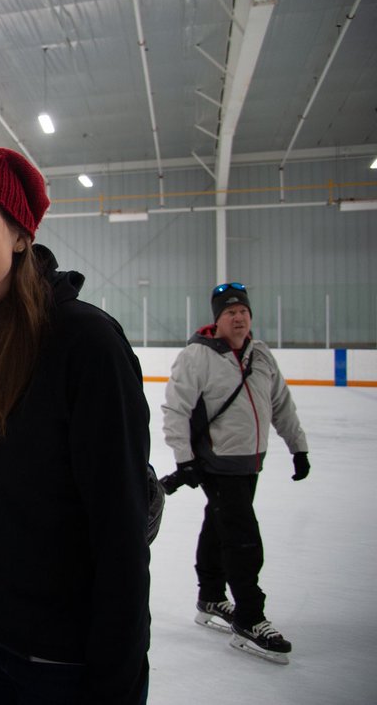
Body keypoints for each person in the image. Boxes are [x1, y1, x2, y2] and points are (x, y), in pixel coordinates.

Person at [0, 148, 151, 704]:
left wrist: (115, 684)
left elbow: (121, 532)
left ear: (20, 233)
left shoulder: (84, 342)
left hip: (65, 665)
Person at [160, 281, 309, 665]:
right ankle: (249, 617)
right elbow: (176, 408)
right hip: (218, 462)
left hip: (250, 461)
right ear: (217, 320)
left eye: (243, 311)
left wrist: (299, 447)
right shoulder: (198, 356)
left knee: (219, 523)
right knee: (242, 537)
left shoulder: (260, 355)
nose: (239, 317)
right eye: (230, 312)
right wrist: (184, 459)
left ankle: (210, 596)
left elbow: (281, 404)